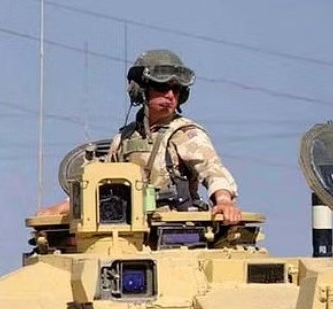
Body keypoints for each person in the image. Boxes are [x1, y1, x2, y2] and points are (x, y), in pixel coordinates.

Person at [40, 49, 241, 223]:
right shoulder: (124, 138)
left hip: (177, 230)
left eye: (176, 89)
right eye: (162, 87)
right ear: (141, 90)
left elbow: (212, 169)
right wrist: (58, 209)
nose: (170, 95)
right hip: (131, 232)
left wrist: (223, 200)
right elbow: (99, 184)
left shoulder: (185, 134)